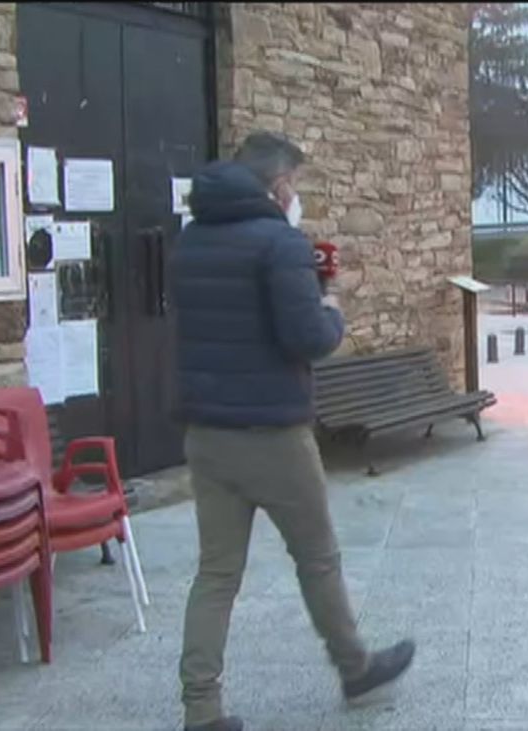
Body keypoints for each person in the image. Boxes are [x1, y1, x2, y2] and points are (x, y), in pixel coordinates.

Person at [169, 131, 415, 731]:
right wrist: (329, 309)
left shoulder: (189, 241)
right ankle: (355, 667)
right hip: (273, 434)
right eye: (296, 186)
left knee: (217, 573)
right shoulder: (280, 243)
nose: (296, 196)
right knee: (317, 558)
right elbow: (307, 338)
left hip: (206, 433)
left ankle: (201, 709)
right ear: (279, 185)